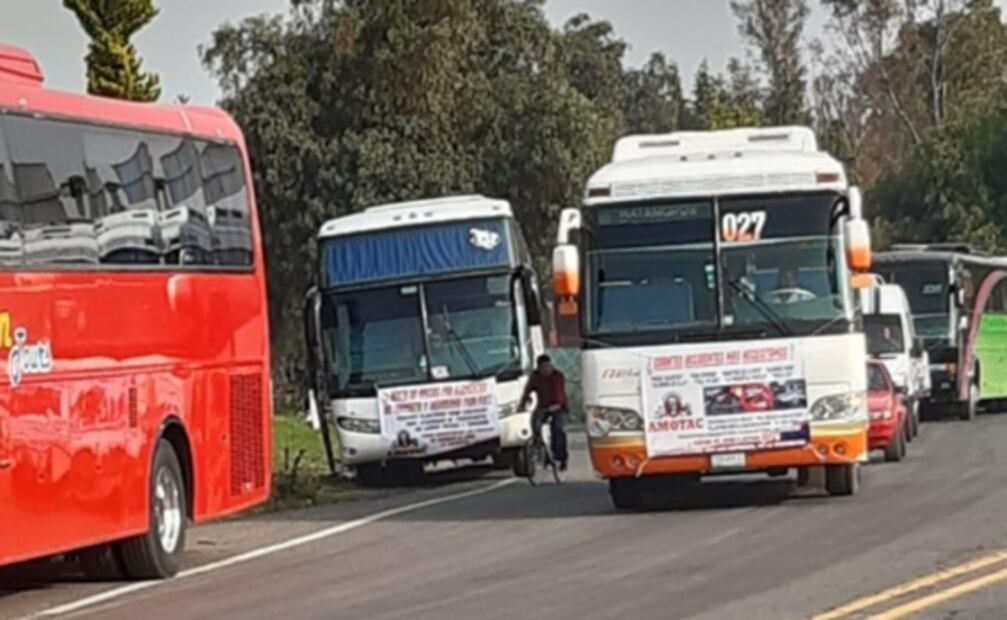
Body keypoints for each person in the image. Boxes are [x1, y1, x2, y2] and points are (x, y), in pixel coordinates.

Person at [518, 354, 569, 472]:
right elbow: (527, 390)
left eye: (549, 366)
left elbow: (560, 394)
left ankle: (561, 457)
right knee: (535, 424)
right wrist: (522, 404)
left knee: (558, 429)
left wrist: (556, 406)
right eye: (544, 367)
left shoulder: (557, 376)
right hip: (543, 407)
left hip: (558, 407)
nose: (547, 369)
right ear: (539, 368)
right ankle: (540, 450)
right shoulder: (535, 377)